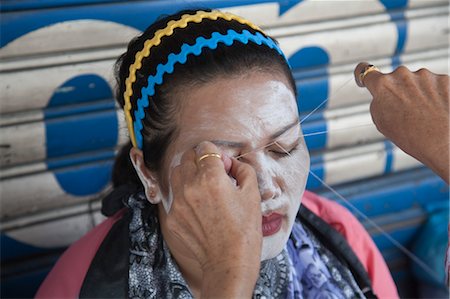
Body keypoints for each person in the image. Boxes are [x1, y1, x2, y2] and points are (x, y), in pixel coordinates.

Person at [37, 8, 449, 298]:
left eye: (284, 148)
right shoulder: (83, 284)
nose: (268, 188)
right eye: (223, 164)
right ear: (149, 175)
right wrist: (229, 272)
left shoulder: (337, 234)